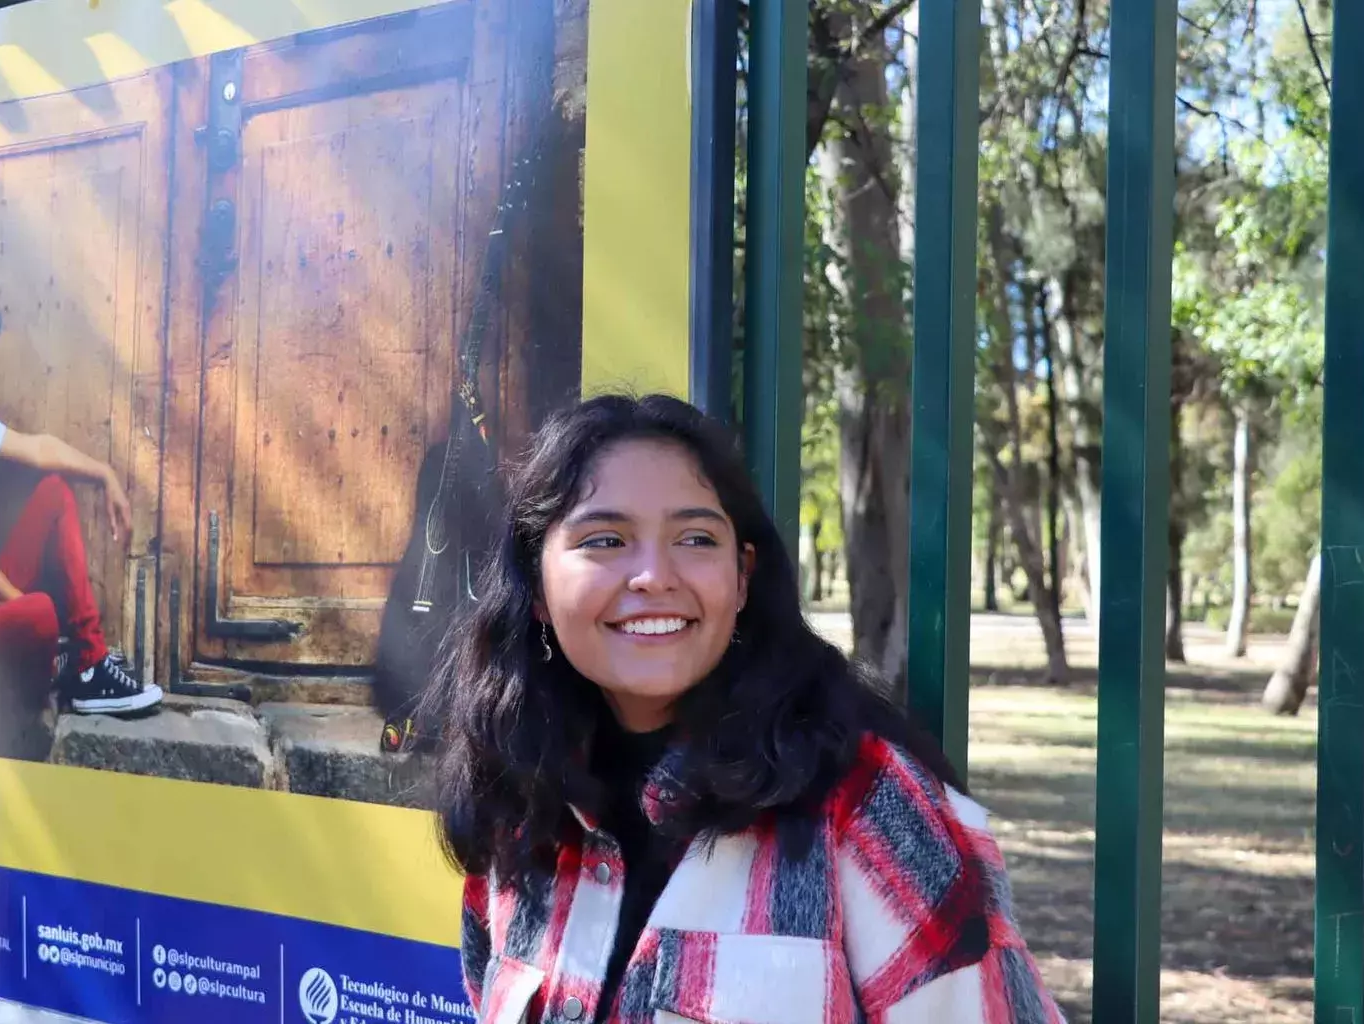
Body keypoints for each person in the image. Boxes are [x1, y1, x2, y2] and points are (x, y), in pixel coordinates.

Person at [428, 394, 1064, 1023]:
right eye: (605, 539)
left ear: (742, 577)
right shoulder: (520, 800)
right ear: (537, 588)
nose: (653, 575)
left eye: (696, 537)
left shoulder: (866, 802)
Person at [0, 261, 161, 717]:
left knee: (55, 492)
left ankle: (88, 663)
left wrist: (105, 474)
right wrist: (31, 617)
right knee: (38, 612)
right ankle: (68, 664)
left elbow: (40, 449)